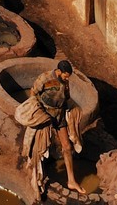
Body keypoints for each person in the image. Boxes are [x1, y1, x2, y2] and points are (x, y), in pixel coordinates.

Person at [16, 61, 82, 194]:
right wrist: (36, 112)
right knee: (39, 148)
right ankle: (37, 177)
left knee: (67, 147)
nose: (67, 78)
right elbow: (33, 93)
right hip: (45, 114)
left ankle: (71, 181)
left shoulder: (65, 81)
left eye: (68, 76)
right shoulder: (45, 78)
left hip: (59, 114)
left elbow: (66, 97)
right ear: (59, 71)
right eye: (65, 76)